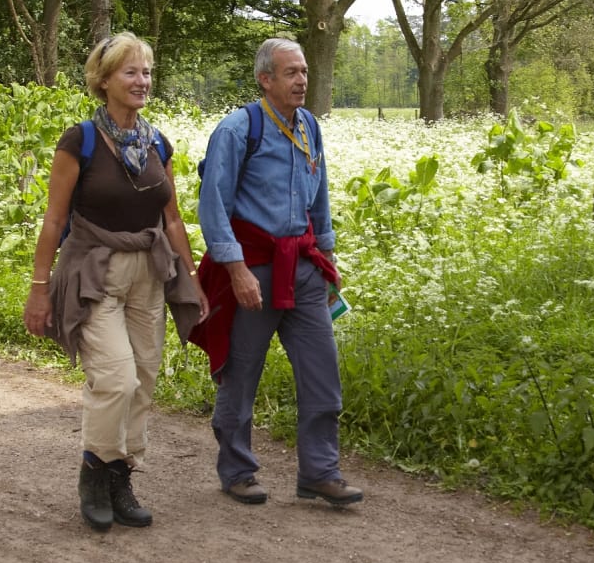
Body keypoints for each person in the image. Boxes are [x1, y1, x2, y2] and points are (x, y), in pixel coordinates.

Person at [24, 32, 202, 532]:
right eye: (130, 72)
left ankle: (122, 475)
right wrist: (39, 288)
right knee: (116, 378)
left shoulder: (156, 142)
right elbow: (54, 221)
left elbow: (171, 220)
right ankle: (94, 472)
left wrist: (191, 279)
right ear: (104, 81)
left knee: (143, 379)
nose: (142, 81)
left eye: (146, 71)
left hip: (148, 272)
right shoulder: (79, 139)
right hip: (93, 272)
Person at [190, 37, 363, 508]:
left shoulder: (309, 125)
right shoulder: (237, 129)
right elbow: (213, 207)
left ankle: (320, 472)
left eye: (304, 71)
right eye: (291, 72)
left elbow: (320, 195)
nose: (302, 80)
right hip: (254, 271)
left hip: (303, 269)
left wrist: (327, 258)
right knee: (241, 374)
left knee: (322, 372)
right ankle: (237, 470)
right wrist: (237, 271)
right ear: (265, 79)